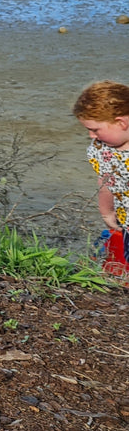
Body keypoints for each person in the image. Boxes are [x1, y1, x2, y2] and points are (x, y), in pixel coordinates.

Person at [73, 80, 129, 283]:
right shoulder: (101, 149)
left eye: (95, 129)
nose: (91, 135)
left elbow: (105, 183)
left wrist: (107, 213)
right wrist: (107, 213)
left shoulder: (101, 149)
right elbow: (106, 184)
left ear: (121, 122)